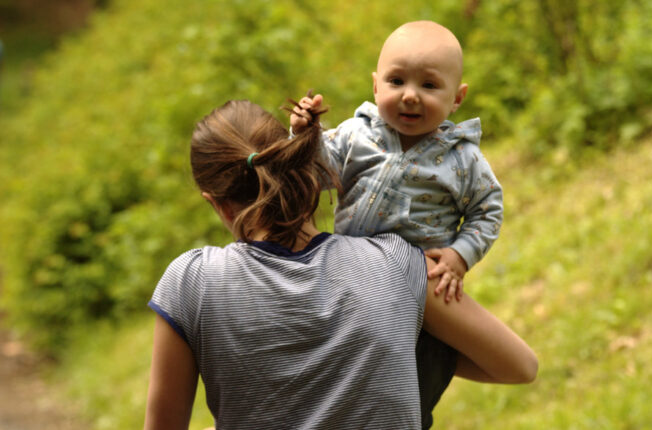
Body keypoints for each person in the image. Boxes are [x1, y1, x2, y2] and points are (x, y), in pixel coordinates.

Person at [144, 99, 536, 429]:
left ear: (215, 202)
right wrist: (398, 334)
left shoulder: (191, 283)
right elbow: (519, 366)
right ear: (300, 164)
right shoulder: (395, 263)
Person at [290, 20, 502, 427]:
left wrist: (460, 255)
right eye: (396, 80)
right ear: (375, 86)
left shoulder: (463, 159)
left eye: (429, 85)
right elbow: (318, 174)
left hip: (419, 297)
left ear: (457, 98)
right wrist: (305, 135)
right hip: (348, 285)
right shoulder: (355, 136)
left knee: (415, 388)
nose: (409, 95)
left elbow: (488, 209)